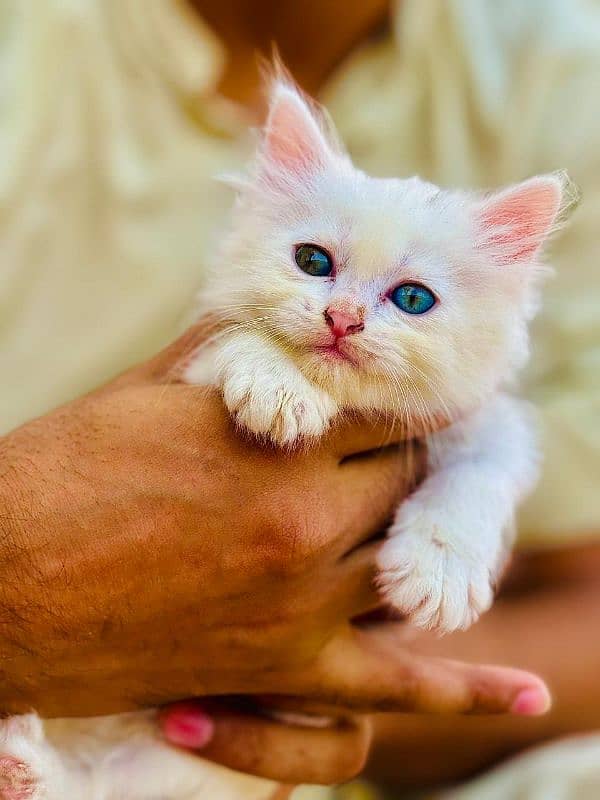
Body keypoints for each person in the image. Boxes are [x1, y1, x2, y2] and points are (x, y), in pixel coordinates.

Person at [1, 1, 599, 798]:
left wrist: (448, 532)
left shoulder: (557, 64)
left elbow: (498, 455)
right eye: (314, 260)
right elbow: (219, 356)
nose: (344, 314)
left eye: (412, 300)